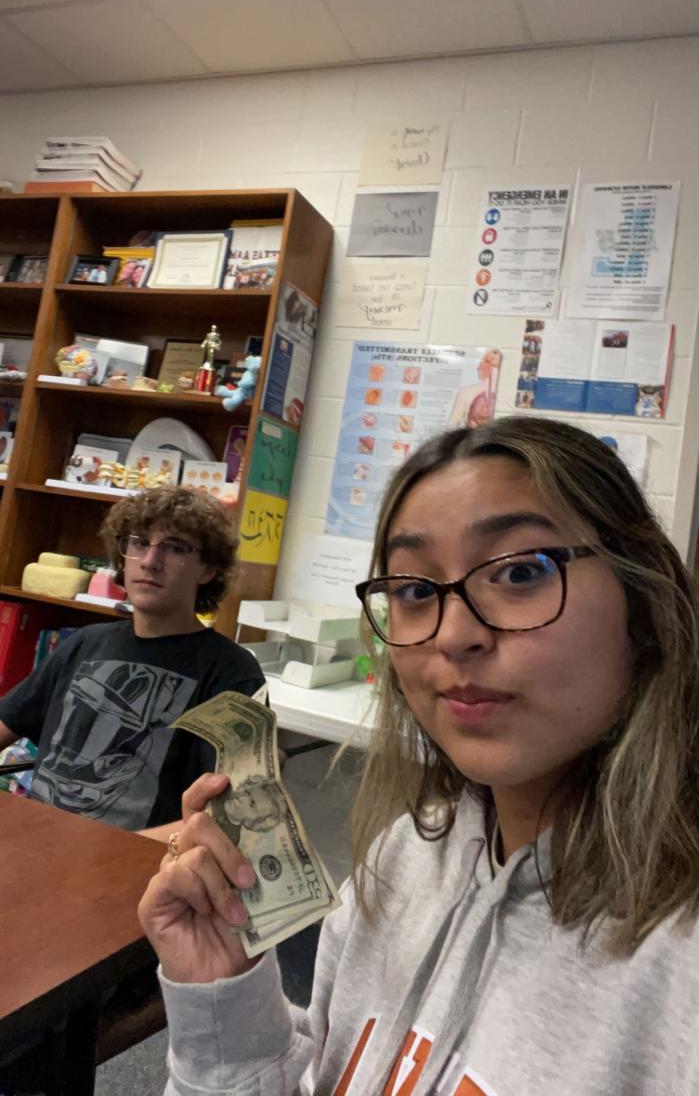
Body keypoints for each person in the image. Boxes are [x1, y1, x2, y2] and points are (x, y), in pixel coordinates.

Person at [137, 416, 699, 1094]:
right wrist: (225, 1004)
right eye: (413, 590)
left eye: (521, 571)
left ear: (644, 602)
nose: (453, 635)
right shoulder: (403, 854)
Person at [0, 487, 263, 841]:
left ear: (208, 568)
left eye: (175, 547)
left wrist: (110, 853)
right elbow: (8, 721)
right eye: (139, 543)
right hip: (34, 845)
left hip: (136, 865)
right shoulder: (84, 643)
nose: (150, 561)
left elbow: (232, 818)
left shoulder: (231, 673)